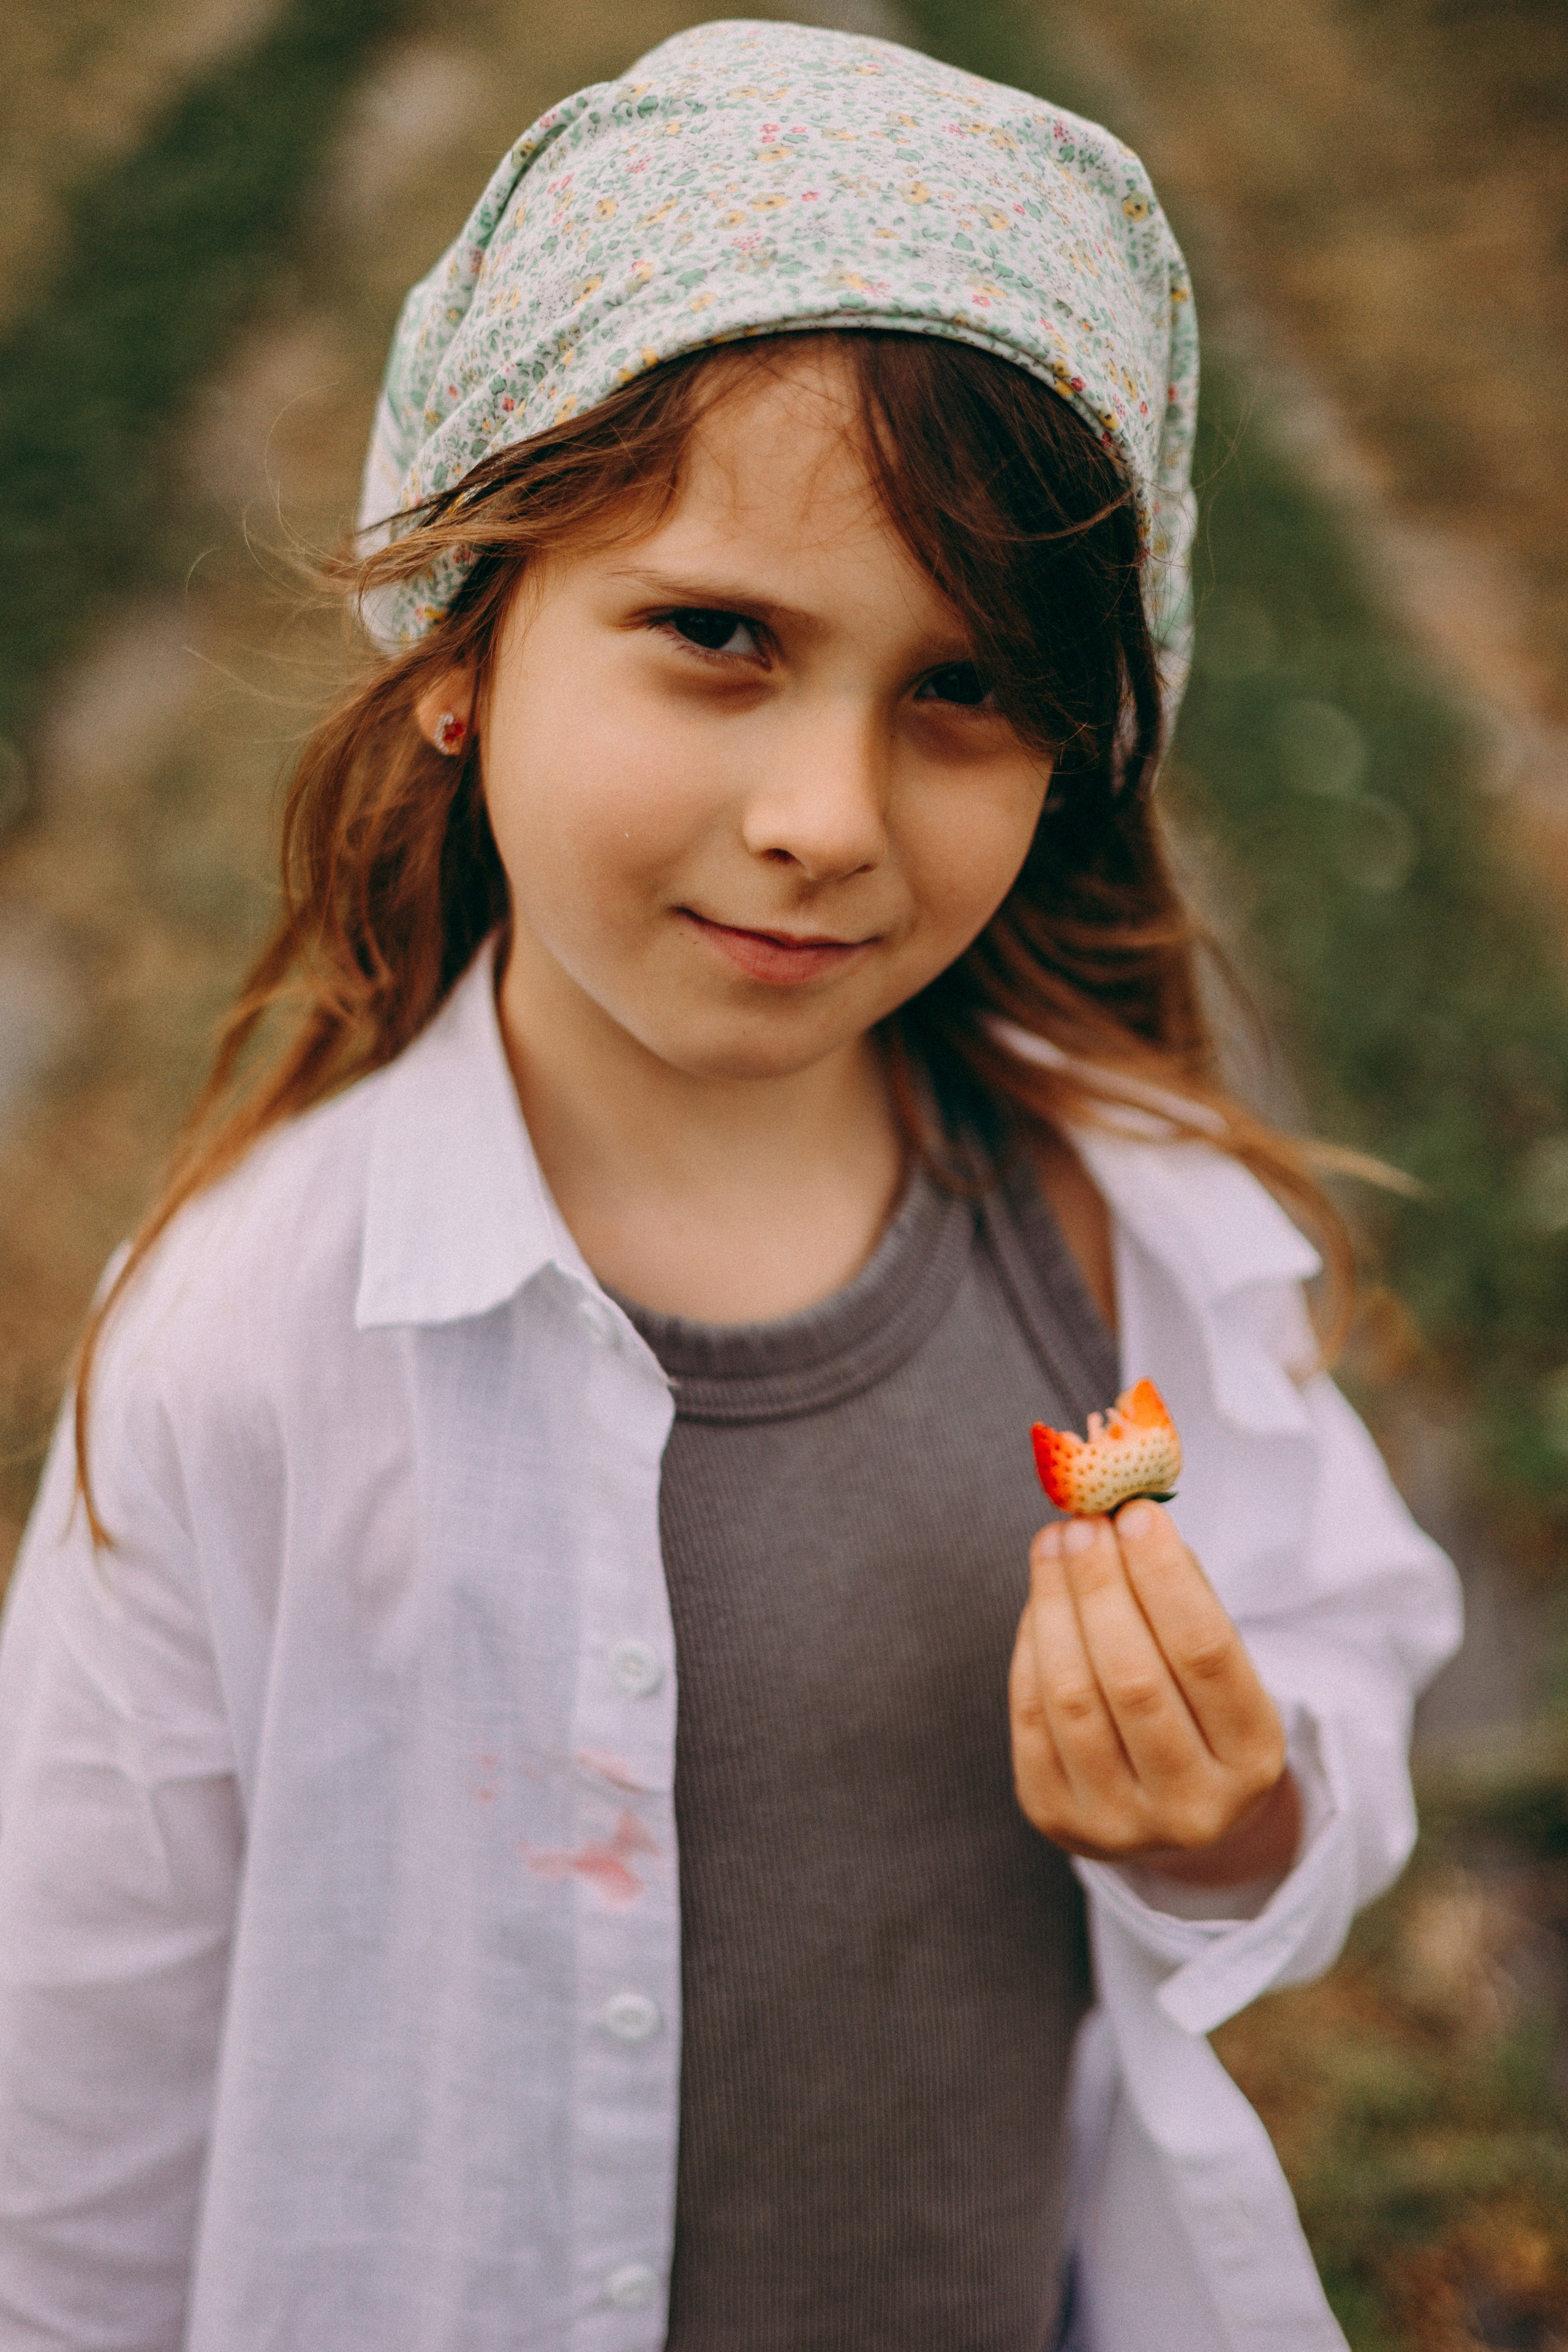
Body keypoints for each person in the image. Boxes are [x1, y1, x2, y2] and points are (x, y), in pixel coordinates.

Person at [0, 19, 1460, 2351]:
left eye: (962, 689)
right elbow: (75, 2113)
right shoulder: (248, 1340)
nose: (830, 815)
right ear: (466, 642)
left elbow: (1350, 1652)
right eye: (719, 638)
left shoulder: (1113, 1237)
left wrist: (1235, 1822)